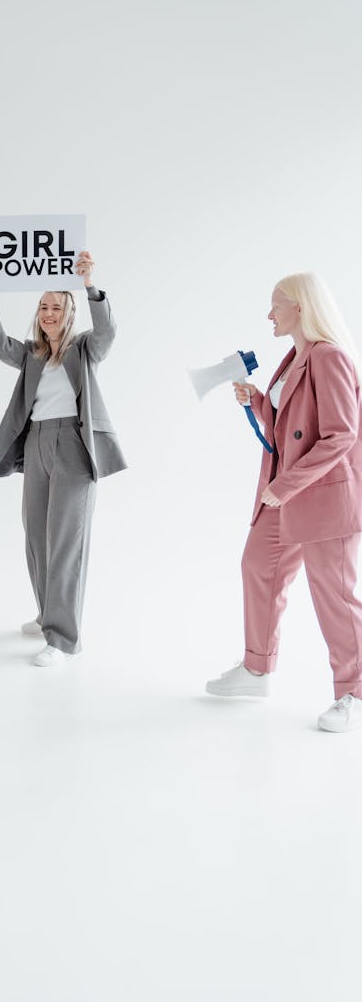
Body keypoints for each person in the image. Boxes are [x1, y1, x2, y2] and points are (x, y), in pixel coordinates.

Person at [206, 273, 362, 732]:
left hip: (320, 499)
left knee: (333, 596)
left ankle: (353, 692)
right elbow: (292, 426)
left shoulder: (329, 357)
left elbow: (340, 435)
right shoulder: (295, 357)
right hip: (286, 494)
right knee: (257, 565)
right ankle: (257, 669)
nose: (269, 314)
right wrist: (258, 401)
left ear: (300, 307)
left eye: (276, 305)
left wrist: (287, 484)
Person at [0, 252, 126, 666]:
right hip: (37, 443)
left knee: (65, 541)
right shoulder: (30, 353)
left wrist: (90, 284)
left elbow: (108, 331)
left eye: (57, 307)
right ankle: (48, 615)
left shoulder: (83, 349)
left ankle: (61, 639)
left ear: (70, 311)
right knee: (37, 537)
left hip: (73, 446)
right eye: (43, 306)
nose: (48, 313)